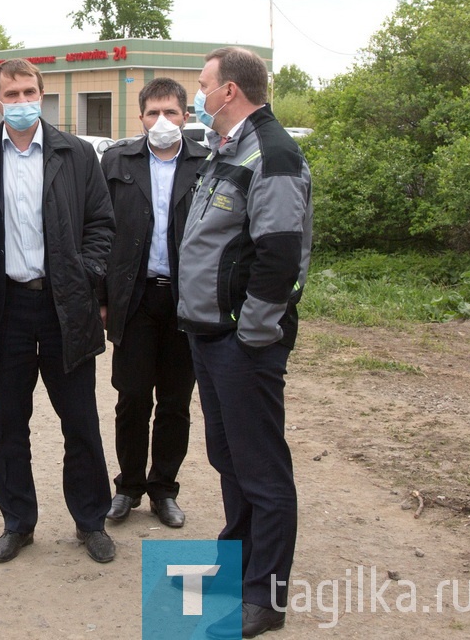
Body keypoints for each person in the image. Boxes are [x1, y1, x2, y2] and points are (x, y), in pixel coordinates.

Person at [0, 59, 117, 565]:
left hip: (64, 306)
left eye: (30, 92)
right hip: (6, 311)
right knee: (8, 424)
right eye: (12, 93)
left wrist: (84, 274)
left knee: (80, 422)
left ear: (43, 96)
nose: (22, 101)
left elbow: (102, 225)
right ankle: (17, 522)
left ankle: (90, 521)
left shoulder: (77, 153)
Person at [176, 47, 312, 640]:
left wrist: (253, 334)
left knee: (262, 470)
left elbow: (280, 254)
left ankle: (266, 596)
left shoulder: (274, 153)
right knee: (230, 459)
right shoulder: (227, 148)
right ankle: (234, 572)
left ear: (229, 90)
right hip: (211, 334)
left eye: (203, 85)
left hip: (243, 342)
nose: (198, 96)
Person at [98, 78, 208, 529]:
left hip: (187, 301)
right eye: (152, 113)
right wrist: (102, 297)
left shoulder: (207, 162)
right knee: (133, 396)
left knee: (176, 401)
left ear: (186, 115)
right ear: (140, 118)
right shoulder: (117, 161)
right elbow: (100, 230)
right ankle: (127, 487)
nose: (162, 121)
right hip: (135, 298)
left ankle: (164, 488)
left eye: (171, 112)